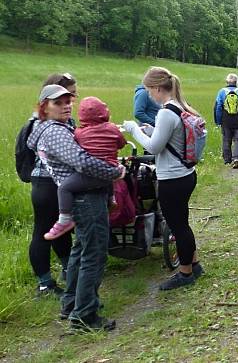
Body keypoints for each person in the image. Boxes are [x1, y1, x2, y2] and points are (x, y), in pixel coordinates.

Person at [28, 84, 125, 332]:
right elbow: (81, 162)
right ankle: (85, 316)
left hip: (81, 197)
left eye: (68, 101)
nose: (66, 106)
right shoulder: (55, 132)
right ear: (44, 107)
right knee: (94, 254)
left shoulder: (53, 128)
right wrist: (114, 172)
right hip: (86, 198)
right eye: (58, 103)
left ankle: (71, 303)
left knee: (80, 252)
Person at [123, 66, 205, 290]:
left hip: (172, 179)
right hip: (185, 174)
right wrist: (151, 129)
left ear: (158, 88)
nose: (149, 95)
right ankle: (194, 264)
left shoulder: (166, 112)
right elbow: (170, 139)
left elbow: (154, 147)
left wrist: (134, 130)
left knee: (178, 226)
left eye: (149, 90)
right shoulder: (178, 108)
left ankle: (186, 272)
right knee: (182, 223)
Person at [44, 97, 127, 240]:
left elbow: (77, 151)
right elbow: (121, 143)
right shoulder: (113, 128)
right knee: (109, 175)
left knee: (64, 188)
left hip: (91, 174)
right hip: (110, 168)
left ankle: (65, 218)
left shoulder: (79, 133)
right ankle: (111, 199)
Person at [26, 73, 77, 297]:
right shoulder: (47, 123)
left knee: (62, 229)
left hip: (53, 183)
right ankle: (45, 283)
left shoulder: (54, 120)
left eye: (71, 98)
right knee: (43, 232)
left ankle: (69, 270)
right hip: (47, 183)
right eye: (63, 99)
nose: (69, 102)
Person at [214, 73, 238, 169]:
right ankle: (236, 158)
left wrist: (218, 121)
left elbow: (218, 107)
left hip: (226, 119)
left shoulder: (221, 92)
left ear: (227, 82)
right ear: (236, 82)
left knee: (226, 139)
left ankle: (227, 159)